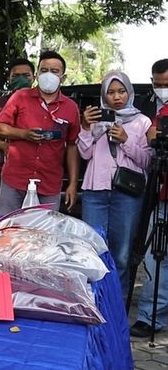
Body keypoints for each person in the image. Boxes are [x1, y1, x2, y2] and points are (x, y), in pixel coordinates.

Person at [77, 71, 150, 296]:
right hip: (95, 192)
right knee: (93, 250)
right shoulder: (96, 122)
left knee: (121, 254)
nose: (116, 97)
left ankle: (117, 305)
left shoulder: (142, 121)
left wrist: (126, 140)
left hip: (127, 194)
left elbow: (147, 160)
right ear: (103, 96)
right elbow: (84, 153)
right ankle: (94, 302)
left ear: (129, 93)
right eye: (110, 92)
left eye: (121, 91)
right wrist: (87, 128)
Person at [0, 50, 81, 216]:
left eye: (54, 71)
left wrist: (73, 184)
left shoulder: (71, 108)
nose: (48, 75)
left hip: (49, 183)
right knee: (8, 230)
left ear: (63, 77)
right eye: (44, 70)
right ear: (37, 74)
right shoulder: (20, 97)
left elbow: (71, 146)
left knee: (44, 235)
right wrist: (24, 134)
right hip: (15, 180)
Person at [131, 59, 168, 338]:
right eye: (158, 83)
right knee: (156, 257)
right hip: (163, 193)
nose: (161, 89)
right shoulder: (157, 112)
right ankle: (149, 316)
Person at [0, 58, 35, 196]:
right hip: (0, 168)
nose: (21, 79)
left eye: (26, 75)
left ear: (34, 78)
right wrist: (6, 147)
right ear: (9, 79)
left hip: (33, 172)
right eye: (16, 76)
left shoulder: (41, 103)